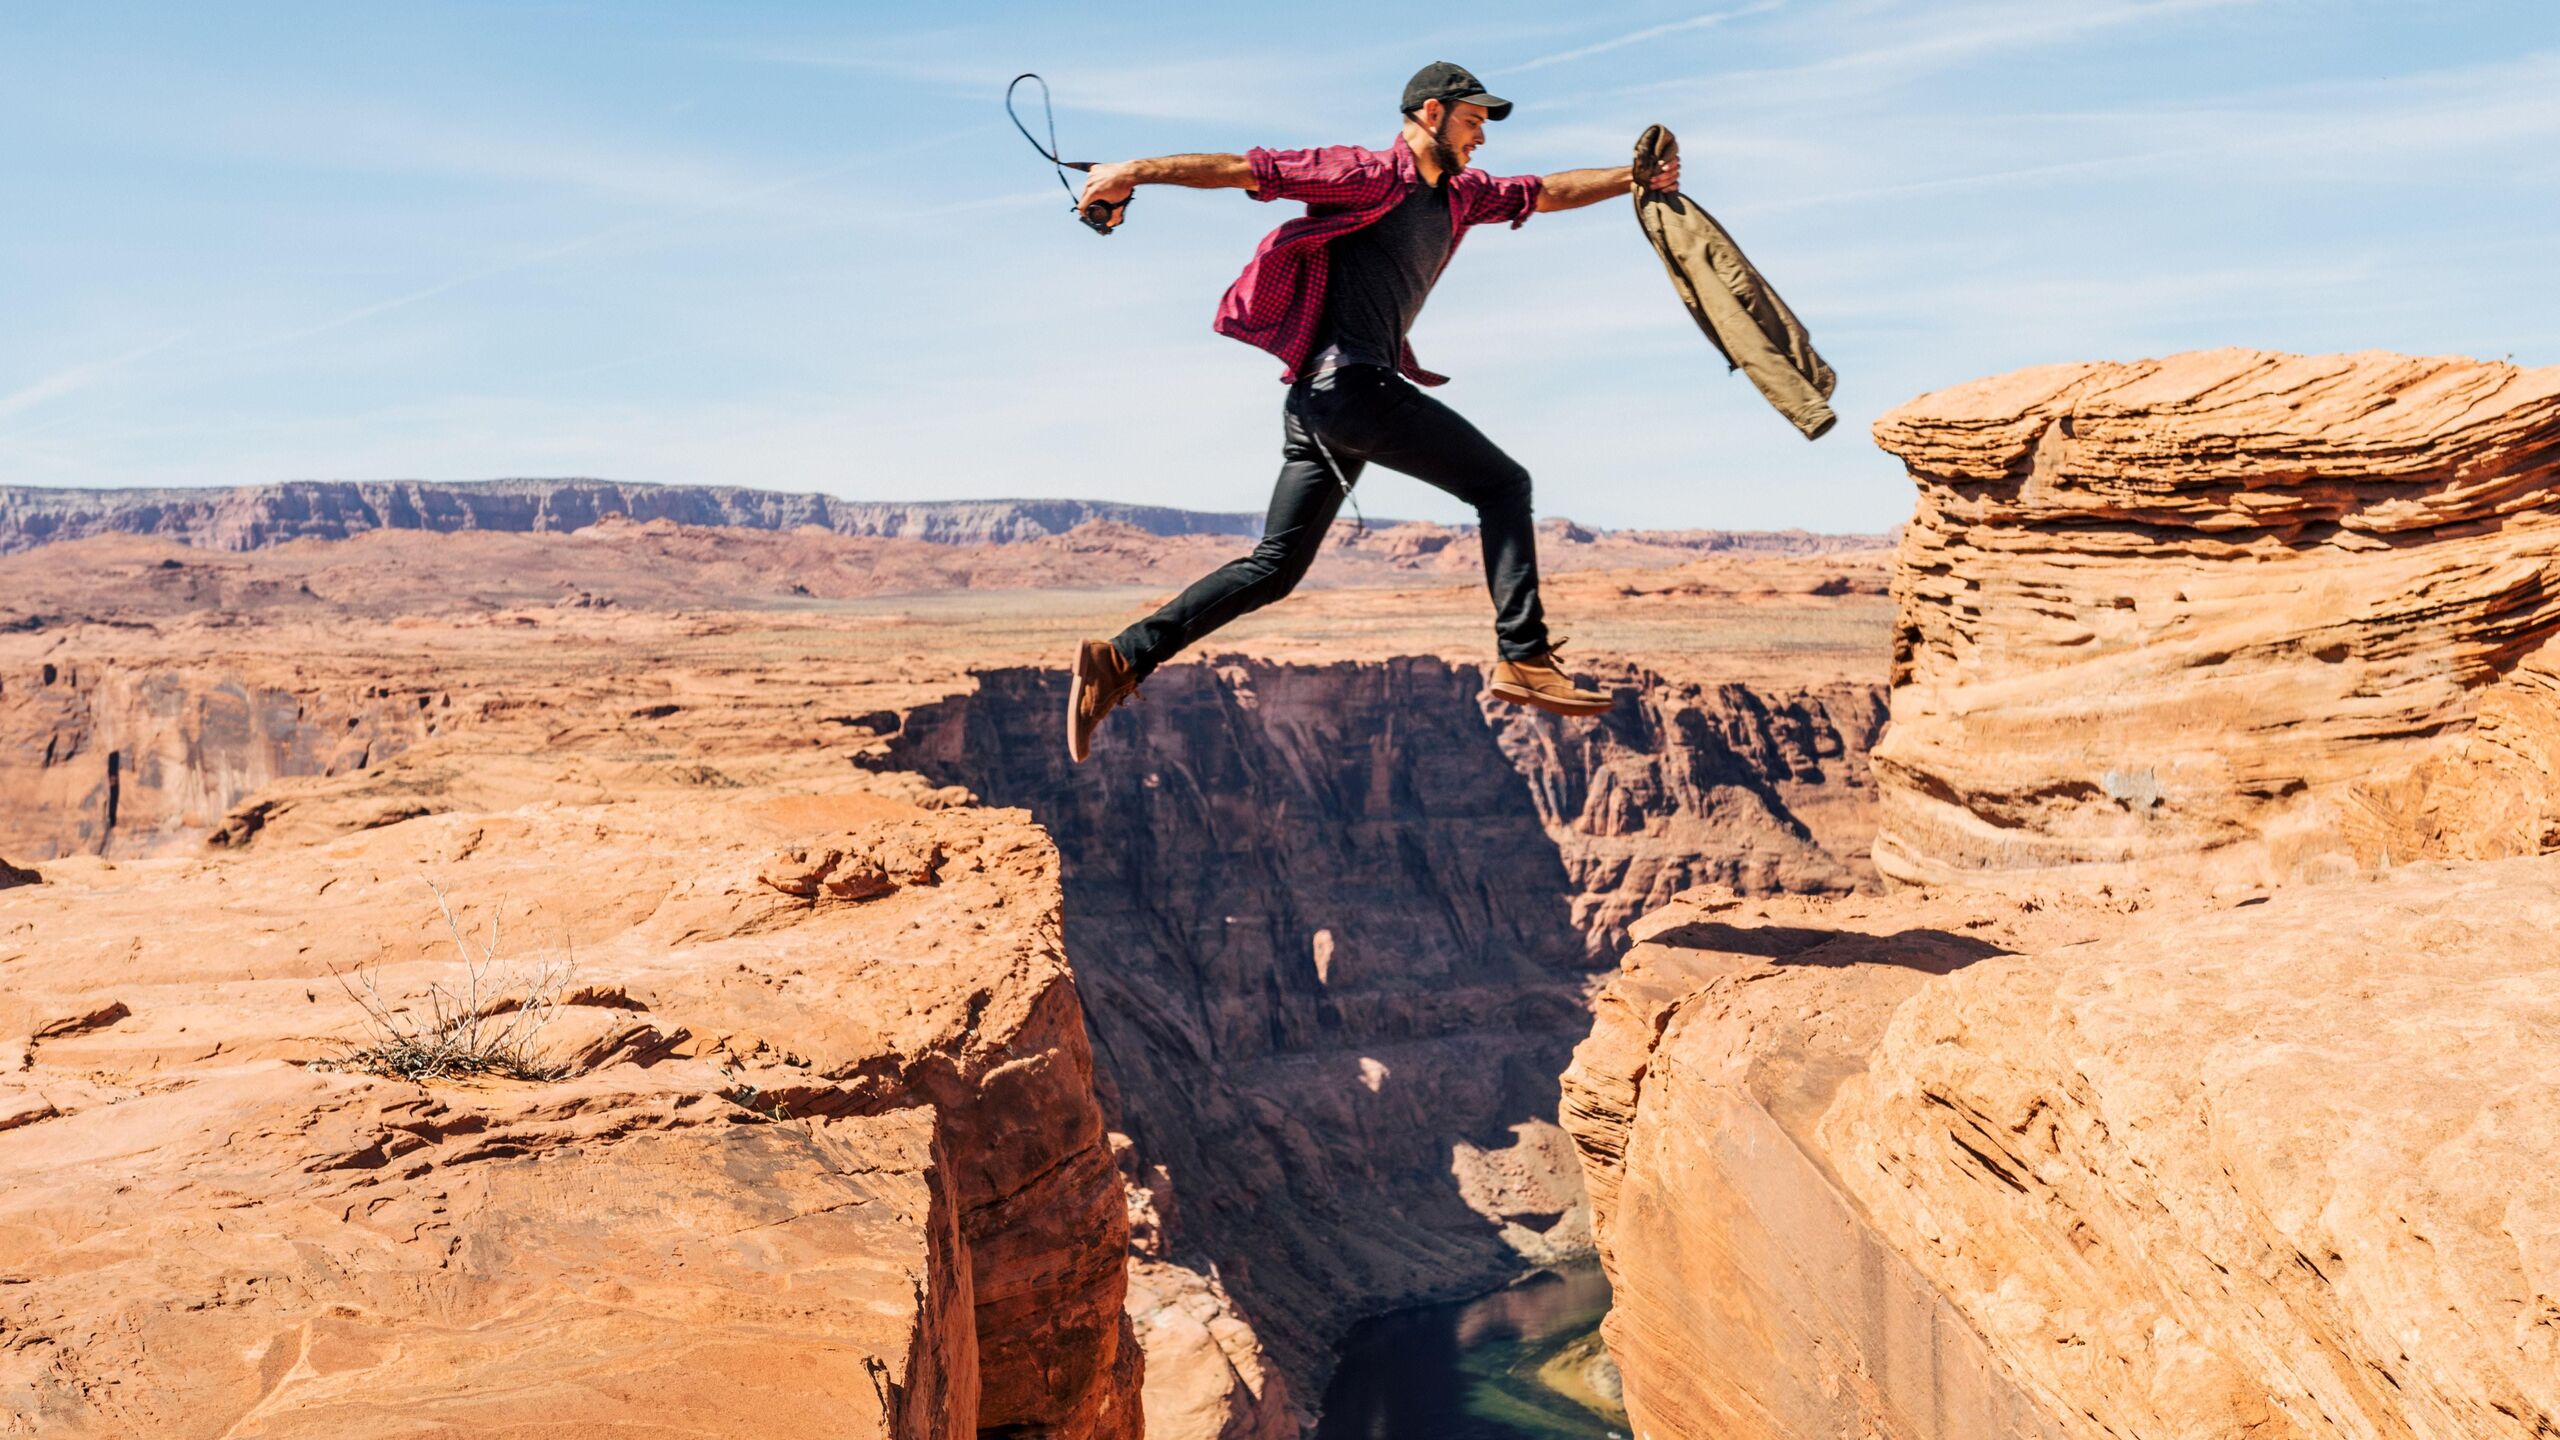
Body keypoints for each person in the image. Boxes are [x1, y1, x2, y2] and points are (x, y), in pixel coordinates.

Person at [1065, 61, 1678, 762]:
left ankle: (1120, 659)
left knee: (1274, 567)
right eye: (1473, 120)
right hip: (1349, 389)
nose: (1481, 138)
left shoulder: (1461, 196)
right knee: (1503, 486)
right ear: (1430, 114)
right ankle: (1524, 655)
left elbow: (1545, 191)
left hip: (1320, 404)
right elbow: (1246, 170)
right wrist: (1130, 171)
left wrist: (1634, 179)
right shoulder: (1367, 175)